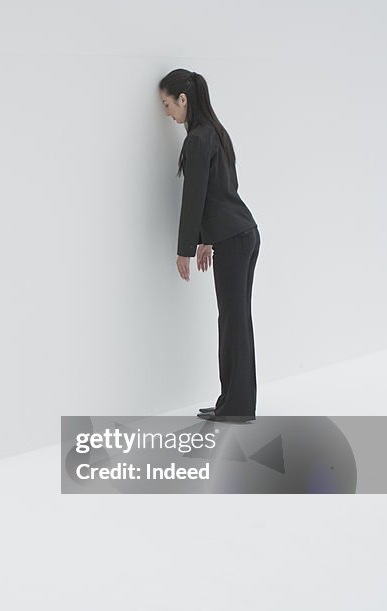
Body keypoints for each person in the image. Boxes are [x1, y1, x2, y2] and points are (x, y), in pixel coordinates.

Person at [158, 69, 260, 423]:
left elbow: (195, 198)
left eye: (168, 104)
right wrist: (206, 240)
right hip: (242, 233)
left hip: (234, 238)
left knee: (233, 321)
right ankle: (232, 401)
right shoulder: (215, 132)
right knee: (235, 320)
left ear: (183, 99)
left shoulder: (198, 140)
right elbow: (221, 191)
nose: (167, 112)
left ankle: (237, 406)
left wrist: (185, 247)